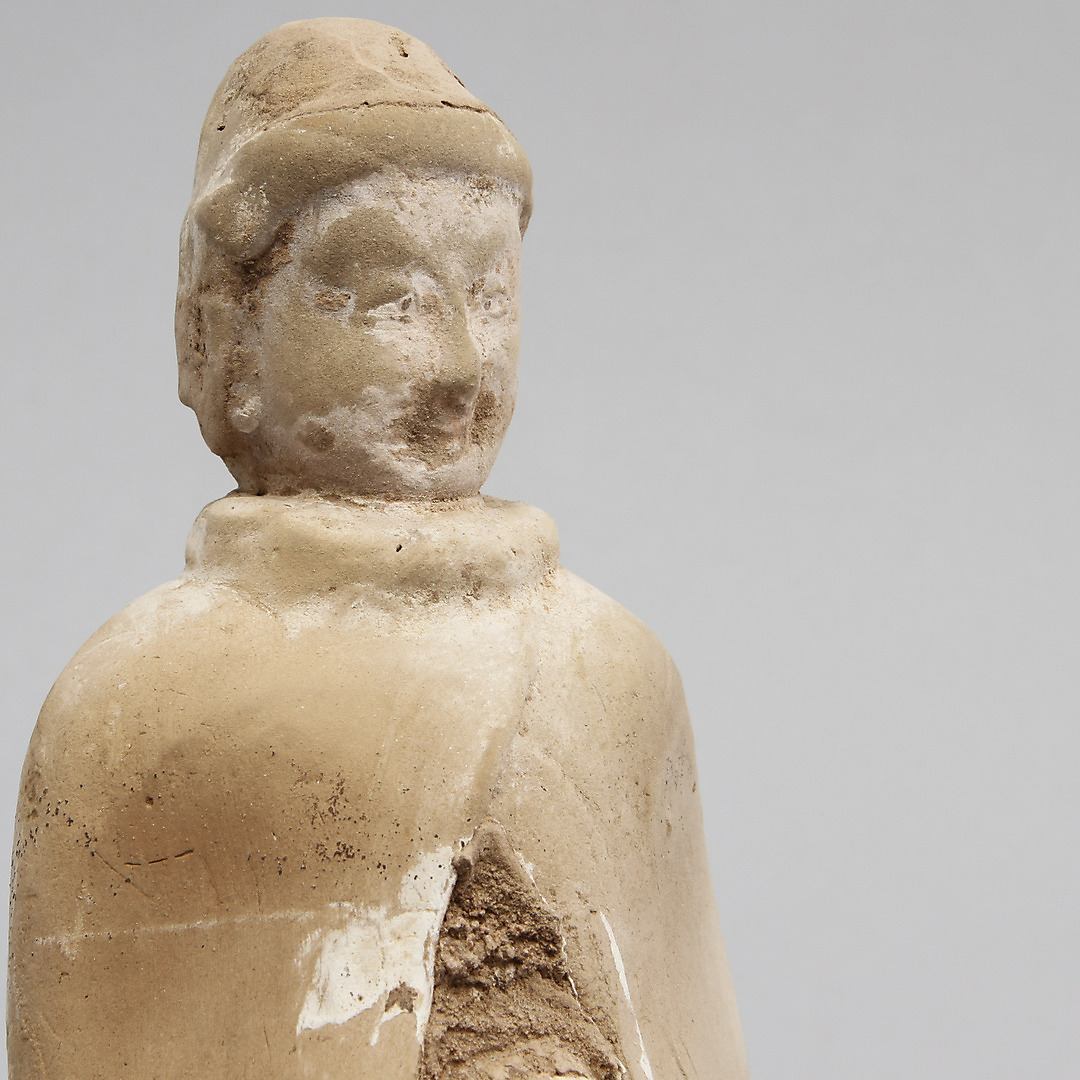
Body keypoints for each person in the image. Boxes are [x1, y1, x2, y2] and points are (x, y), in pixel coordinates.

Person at [9, 20, 748, 1080]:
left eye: (491, 295)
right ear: (229, 332)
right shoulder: (140, 712)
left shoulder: (619, 681)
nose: (462, 367)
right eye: (393, 301)